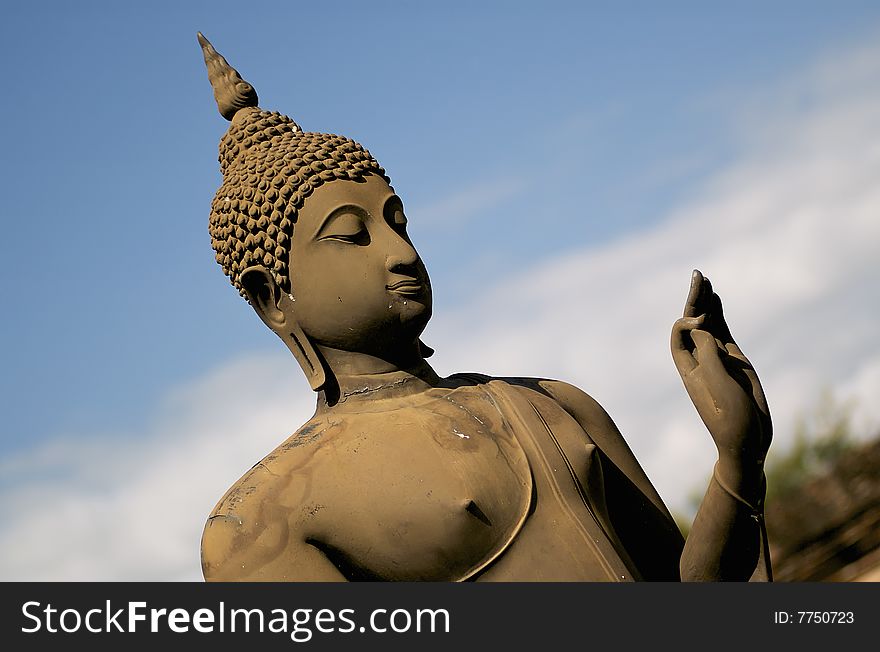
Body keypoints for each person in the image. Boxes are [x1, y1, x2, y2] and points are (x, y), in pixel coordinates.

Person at [197, 34, 772, 581]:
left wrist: (738, 460)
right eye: (353, 234)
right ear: (273, 298)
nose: (401, 253)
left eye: (398, 223)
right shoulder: (262, 522)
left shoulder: (553, 404)